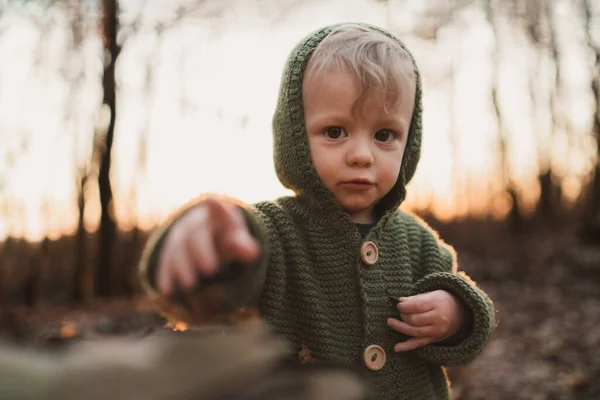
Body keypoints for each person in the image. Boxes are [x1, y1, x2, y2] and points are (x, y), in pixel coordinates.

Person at [138, 22, 496, 400]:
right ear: (295, 135)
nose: (361, 155)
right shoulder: (269, 232)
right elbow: (212, 292)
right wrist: (198, 246)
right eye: (335, 132)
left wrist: (457, 315)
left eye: (385, 135)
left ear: (409, 142)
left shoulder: (419, 242)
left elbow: (472, 329)